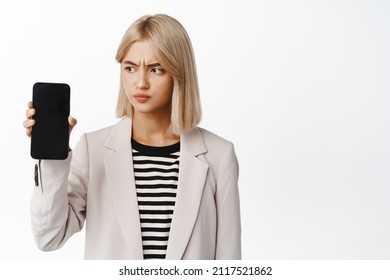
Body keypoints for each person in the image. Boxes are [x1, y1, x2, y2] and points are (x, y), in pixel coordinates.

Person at [23, 14, 241, 260]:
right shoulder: (93, 149)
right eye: (130, 68)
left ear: (180, 74)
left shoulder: (218, 156)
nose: (140, 82)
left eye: (156, 69)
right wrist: (53, 155)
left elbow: (229, 260)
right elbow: (49, 237)